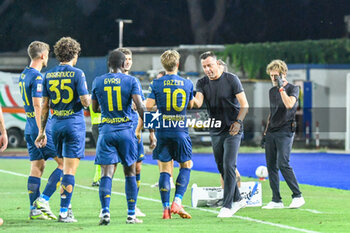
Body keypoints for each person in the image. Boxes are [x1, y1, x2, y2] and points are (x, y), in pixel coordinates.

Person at [92, 49, 156, 225]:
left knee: (106, 173)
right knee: (129, 173)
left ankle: (105, 212)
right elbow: (141, 107)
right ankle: (130, 215)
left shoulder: (98, 81)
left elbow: (94, 108)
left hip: (106, 131)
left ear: (108, 64)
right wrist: (151, 130)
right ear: (123, 64)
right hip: (126, 132)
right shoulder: (131, 81)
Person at [35, 37, 91, 223]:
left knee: (63, 167)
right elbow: (84, 102)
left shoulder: (48, 75)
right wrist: (90, 99)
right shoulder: (77, 73)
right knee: (69, 171)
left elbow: (44, 106)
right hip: (73, 124)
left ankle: (59, 205)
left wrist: (42, 131)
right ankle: (64, 212)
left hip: (56, 125)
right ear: (74, 54)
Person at [193, 51, 249, 218]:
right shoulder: (201, 83)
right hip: (215, 129)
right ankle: (238, 199)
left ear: (217, 63)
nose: (207, 69)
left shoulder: (232, 79)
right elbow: (198, 103)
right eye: (204, 67)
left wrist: (238, 123)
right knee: (221, 166)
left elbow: (245, 105)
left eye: (210, 65)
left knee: (229, 164)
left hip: (233, 129)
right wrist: (185, 93)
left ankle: (227, 205)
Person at [18, 41, 64, 220]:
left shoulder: (24, 74)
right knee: (64, 164)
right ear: (43, 56)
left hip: (28, 125)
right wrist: (42, 131)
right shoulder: (38, 77)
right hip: (39, 126)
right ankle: (43, 200)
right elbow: (38, 105)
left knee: (37, 166)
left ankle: (33, 209)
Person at [146, 50, 194, 219]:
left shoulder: (157, 83)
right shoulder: (187, 84)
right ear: (178, 64)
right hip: (180, 130)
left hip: (163, 131)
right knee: (186, 165)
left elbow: (148, 106)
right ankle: (178, 201)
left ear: (163, 65)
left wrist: (151, 131)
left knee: (165, 171)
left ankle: (166, 210)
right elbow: (190, 105)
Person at [262, 59, 305, 209]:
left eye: (276, 76)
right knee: (271, 166)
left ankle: (298, 196)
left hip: (286, 131)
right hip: (272, 132)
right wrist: (265, 133)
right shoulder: (271, 91)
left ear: (283, 74)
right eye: (271, 76)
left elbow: (289, 105)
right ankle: (276, 200)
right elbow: (272, 113)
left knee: (283, 163)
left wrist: (281, 88)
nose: (273, 79)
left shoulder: (293, 88)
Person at [116, 48, 146, 217]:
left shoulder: (135, 81)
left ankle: (133, 205)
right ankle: (104, 206)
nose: (127, 61)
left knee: (138, 167)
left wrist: (145, 129)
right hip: (117, 128)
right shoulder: (111, 80)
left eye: (129, 58)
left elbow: (140, 107)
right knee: (111, 168)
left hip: (134, 130)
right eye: (124, 58)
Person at [89, 104, 102, 187]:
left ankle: (98, 177)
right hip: (103, 124)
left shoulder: (92, 96)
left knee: (100, 151)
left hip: (96, 124)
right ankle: (98, 177)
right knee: (102, 151)